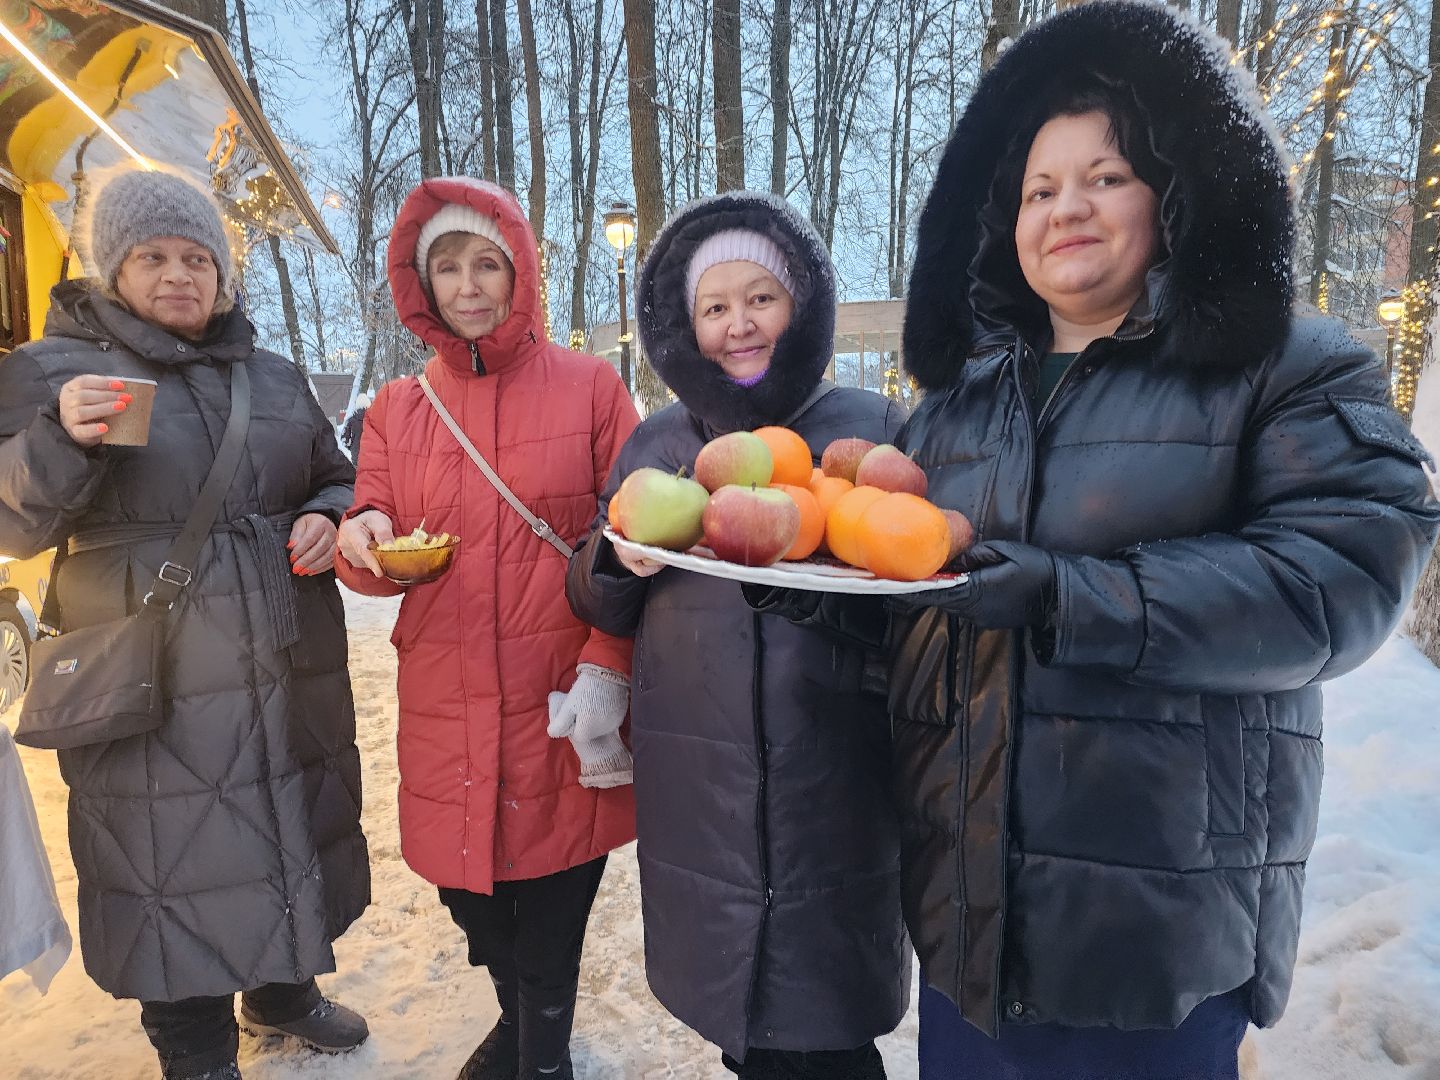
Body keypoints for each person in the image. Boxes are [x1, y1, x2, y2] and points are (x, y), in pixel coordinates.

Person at [752, 4, 1440, 1078]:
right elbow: (934, 610)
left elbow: (1344, 573)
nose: (1066, 206)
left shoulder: (1288, 366)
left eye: (1106, 176)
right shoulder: (951, 410)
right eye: (1038, 188)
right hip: (970, 928)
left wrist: (1078, 599)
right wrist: (831, 596)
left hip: (1156, 938)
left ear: (1178, 190)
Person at [0, 165, 370, 1080]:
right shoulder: (53, 371)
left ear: (223, 273)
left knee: (287, 821)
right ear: (112, 267)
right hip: (152, 663)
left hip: (284, 651)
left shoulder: (274, 377)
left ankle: (282, 995)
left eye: (198, 257)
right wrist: (56, 439)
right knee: (173, 859)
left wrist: (328, 512)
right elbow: (14, 521)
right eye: (154, 256)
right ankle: (197, 1055)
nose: (179, 275)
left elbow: (335, 472)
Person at [566, 191, 911, 1080]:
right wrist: (615, 560)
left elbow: (917, 596)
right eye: (714, 308)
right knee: (744, 1026)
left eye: (760, 297)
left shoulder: (869, 433)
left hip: (832, 774)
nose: (738, 325)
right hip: (703, 786)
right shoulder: (657, 444)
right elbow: (599, 596)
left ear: (803, 304)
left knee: (827, 1029)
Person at [334, 176, 639, 1080]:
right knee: (473, 905)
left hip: (559, 701)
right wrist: (363, 541)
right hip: (446, 706)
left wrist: (608, 665)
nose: (468, 286)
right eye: (447, 268)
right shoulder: (399, 408)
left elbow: (633, 545)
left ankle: (543, 1054)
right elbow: (372, 536)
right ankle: (517, 1019)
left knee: (552, 911)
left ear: (520, 273)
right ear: (419, 285)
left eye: (486, 264)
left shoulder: (591, 388)